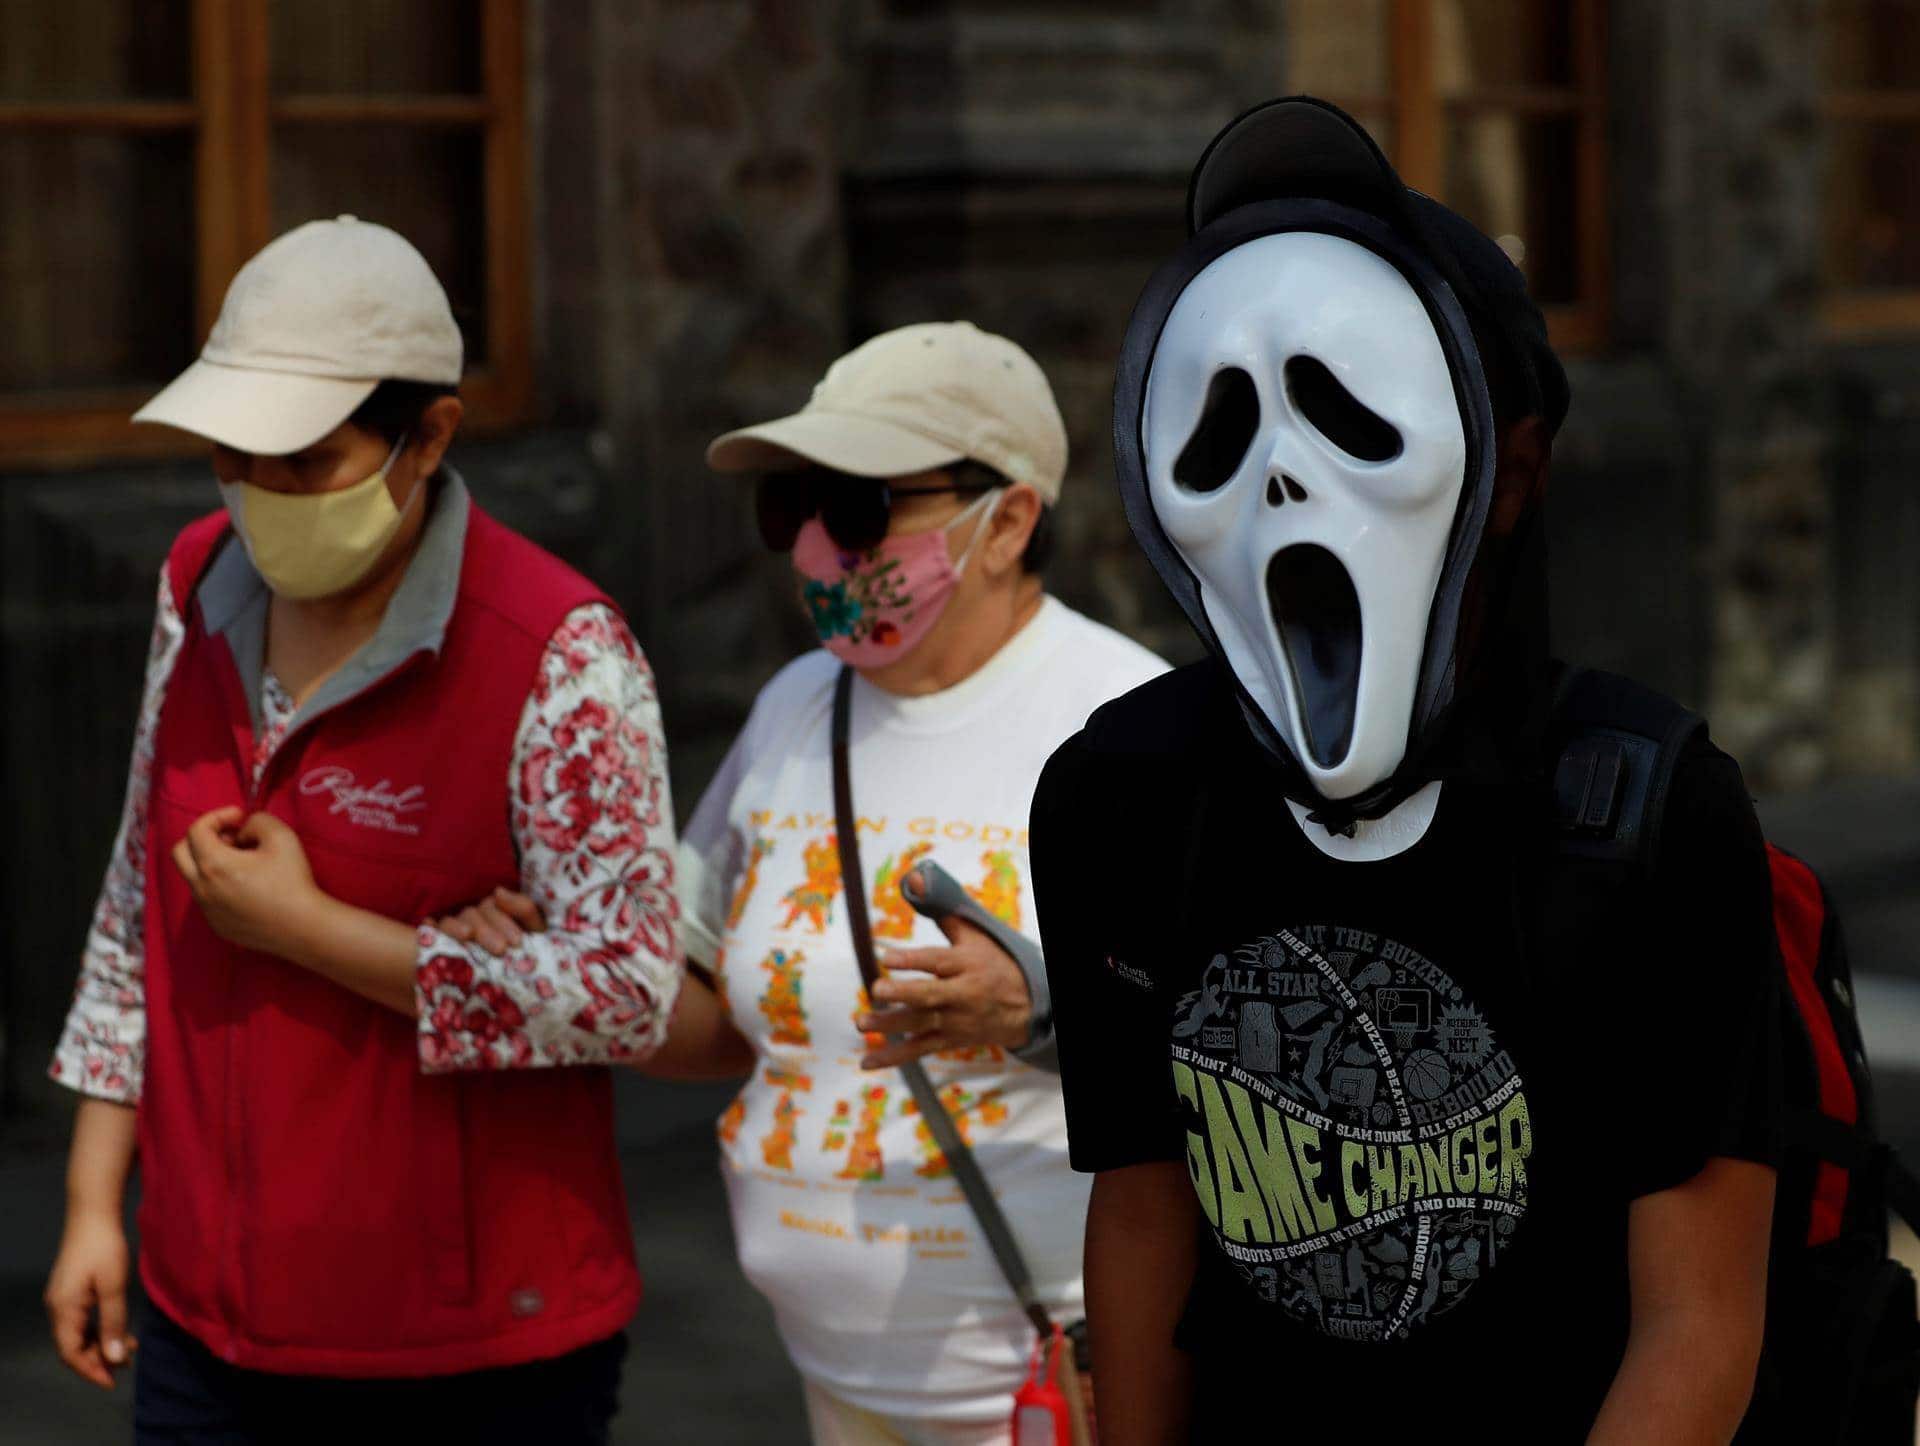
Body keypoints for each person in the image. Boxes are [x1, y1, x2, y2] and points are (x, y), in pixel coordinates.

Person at [1032, 99, 1782, 1442]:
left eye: (1349, 412)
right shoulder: (1125, 796)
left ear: (1512, 469)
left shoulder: (1646, 812)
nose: (1277, 482)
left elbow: (1702, 1311)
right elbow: (1145, 1208)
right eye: (1219, 431)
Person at [454, 321, 1165, 1441]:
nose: (817, 551)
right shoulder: (798, 703)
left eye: (862, 511)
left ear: (1008, 521)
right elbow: (709, 1024)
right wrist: (567, 957)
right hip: (832, 1375)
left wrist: (1040, 1009)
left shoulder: (1132, 727)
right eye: (796, 508)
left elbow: (1232, 1049)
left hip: (1053, 1389)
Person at [42, 217, 681, 1444]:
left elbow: (630, 988)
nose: (261, 493)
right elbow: (137, 904)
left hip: (469, 1353)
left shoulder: (560, 653)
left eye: (307, 461)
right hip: (204, 1321)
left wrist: (315, 931)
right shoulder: (197, 581)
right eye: (235, 454)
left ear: (428, 436)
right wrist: (89, 1204)